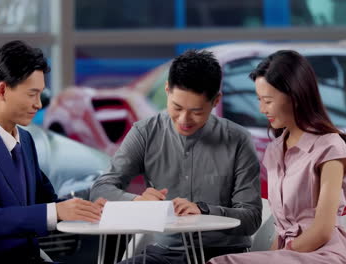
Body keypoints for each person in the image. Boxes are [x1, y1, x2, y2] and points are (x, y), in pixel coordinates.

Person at [90, 49, 262, 264]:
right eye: (177, 107)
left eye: (196, 112)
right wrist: (137, 201)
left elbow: (251, 218)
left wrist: (203, 209)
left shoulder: (238, 139)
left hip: (224, 255)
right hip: (166, 254)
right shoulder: (145, 132)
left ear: (216, 101)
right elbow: (100, 189)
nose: (184, 119)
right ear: (167, 90)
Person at [0, 40, 106, 264]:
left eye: (40, 94)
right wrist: (56, 211)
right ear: (3, 90)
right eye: (32, 94)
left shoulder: (26, 141)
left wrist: (84, 208)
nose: (39, 104)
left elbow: (48, 201)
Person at [208, 50, 346, 264]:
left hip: (325, 255)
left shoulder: (330, 147)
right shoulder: (274, 150)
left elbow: (322, 231)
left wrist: (275, 256)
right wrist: (272, 255)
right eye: (259, 100)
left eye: (268, 101)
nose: (262, 109)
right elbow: (281, 230)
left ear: (295, 97)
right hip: (288, 256)